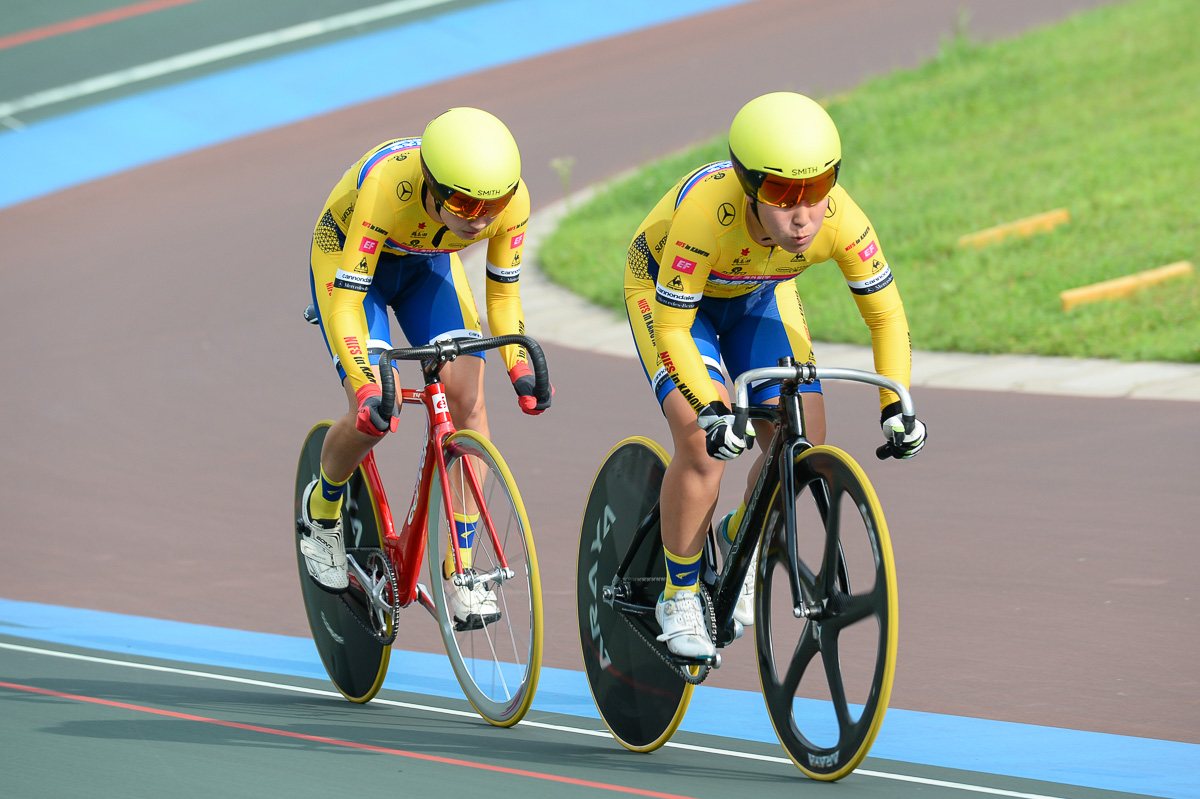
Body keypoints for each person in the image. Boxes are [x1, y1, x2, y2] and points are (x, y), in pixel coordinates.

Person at [623, 92, 926, 659]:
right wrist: (713, 410)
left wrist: (895, 407)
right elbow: (672, 331)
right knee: (702, 440)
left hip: (759, 293)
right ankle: (679, 593)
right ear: (746, 185)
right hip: (675, 305)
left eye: (818, 187)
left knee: (804, 432)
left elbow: (886, 315)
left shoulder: (840, 218)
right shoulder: (704, 216)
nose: (804, 213)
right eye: (784, 194)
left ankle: (741, 535)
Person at [299, 107, 550, 630]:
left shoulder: (513, 202)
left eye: (493, 204)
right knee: (374, 415)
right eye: (463, 202)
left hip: (426, 268)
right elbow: (347, 299)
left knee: (469, 401)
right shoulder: (388, 185)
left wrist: (520, 367)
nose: (480, 218)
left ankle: (459, 565)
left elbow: (503, 297)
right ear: (431, 186)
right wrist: (368, 385)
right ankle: (321, 510)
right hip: (352, 270)